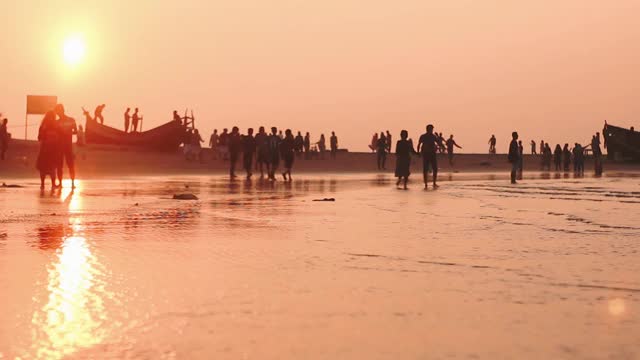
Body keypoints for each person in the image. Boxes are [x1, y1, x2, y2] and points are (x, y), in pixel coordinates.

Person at [54, 104, 77, 188]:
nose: (57, 113)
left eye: (58, 111)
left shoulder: (71, 120)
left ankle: (73, 183)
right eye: (56, 112)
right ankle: (60, 183)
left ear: (62, 110)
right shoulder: (56, 122)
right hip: (59, 146)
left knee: (70, 165)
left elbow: (76, 131)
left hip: (68, 146)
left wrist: (67, 133)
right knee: (59, 165)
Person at [36, 111, 61, 189]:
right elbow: (39, 137)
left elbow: (59, 137)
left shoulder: (55, 126)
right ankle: (43, 184)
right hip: (46, 148)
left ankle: (51, 184)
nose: (51, 119)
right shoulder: (45, 126)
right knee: (45, 167)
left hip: (51, 149)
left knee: (51, 167)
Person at [417, 125, 439, 189]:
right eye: (432, 129)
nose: (432, 131)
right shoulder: (431, 136)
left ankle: (428, 183)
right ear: (429, 129)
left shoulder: (426, 136)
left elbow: (419, 144)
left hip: (428, 154)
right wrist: (418, 152)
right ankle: (430, 183)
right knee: (432, 169)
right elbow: (419, 144)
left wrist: (418, 152)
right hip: (429, 154)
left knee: (428, 169)